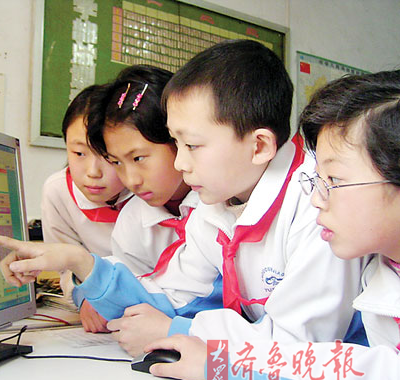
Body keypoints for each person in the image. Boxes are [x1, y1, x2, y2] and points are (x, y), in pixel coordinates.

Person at [146, 69, 400, 380]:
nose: (316, 199)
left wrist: (220, 366)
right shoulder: (384, 270)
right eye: (319, 179)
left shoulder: (314, 224)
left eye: (335, 181)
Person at [103, 39, 362, 356]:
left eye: (192, 145)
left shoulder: (318, 204)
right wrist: (92, 274)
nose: (180, 163)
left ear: (259, 146)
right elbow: (176, 294)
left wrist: (183, 332)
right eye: (176, 143)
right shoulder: (215, 203)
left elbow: (302, 345)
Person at [0, 65, 223, 349]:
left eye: (138, 158)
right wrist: (82, 273)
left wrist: (178, 336)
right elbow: (143, 302)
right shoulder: (135, 216)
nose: (130, 180)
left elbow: (233, 328)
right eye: (117, 161)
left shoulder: (222, 206)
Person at [40, 84, 131, 333]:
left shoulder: (148, 191)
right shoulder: (58, 191)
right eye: (79, 153)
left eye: (108, 157)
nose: (92, 172)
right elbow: (66, 266)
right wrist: (84, 297)